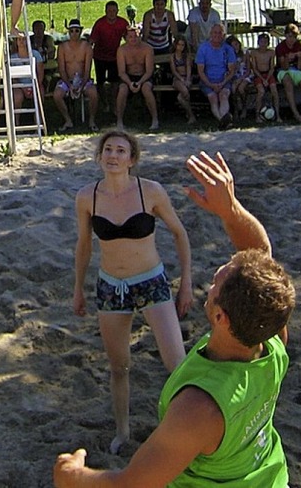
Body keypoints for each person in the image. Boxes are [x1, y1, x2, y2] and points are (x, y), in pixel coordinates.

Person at [55, 150, 295, 488]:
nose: (213, 277)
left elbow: (133, 484)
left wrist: (73, 476)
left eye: (217, 283)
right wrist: (230, 210)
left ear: (220, 316)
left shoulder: (198, 408)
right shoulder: (270, 342)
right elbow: (261, 256)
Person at [73, 131, 192, 455]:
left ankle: (185, 428)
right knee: (118, 367)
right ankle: (123, 433)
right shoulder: (87, 197)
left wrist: (186, 285)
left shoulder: (150, 191)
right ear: (99, 156)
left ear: (132, 159)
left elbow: (180, 235)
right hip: (111, 287)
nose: (113, 155)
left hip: (152, 282)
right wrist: (78, 290)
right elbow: (84, 246)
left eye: (120, 150)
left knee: (177, 365)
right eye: (108, 149)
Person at [53, 19, 98, 132]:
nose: (74, 33)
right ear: (68, 32)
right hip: (67, 80)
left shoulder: (87, 47)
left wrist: (81, 86)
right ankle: (67, 120)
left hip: (83, 79)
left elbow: (87, 69)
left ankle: (92, 120)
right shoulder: (62, 47)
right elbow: (62, 69)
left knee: (93, 93)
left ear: (80, 31)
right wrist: (69, 85)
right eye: (71, 30)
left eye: (77, 30)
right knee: (57, 95)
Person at [89, 1, 129, 116]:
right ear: (105, 11)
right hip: (99, 56)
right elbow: (91, 41)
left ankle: (114, 104)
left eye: (114, 11)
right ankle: (104, 103)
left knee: (115, 82)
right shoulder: (100, 24)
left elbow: (129, 38)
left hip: (115, 57)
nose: (111, 13)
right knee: (100, 82)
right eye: (109, 11)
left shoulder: (122, 23)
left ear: (117, 11)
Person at [116, 26, 159, 131]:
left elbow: (149, 71)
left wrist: (139, 82)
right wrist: (130, 83)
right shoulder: (121, 50)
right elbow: (121, 72)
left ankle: (155, 119)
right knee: (122, 89)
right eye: (130, 37)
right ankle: (119, 120)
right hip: (128, 76)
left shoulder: (147, 49)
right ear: (126, 38)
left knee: (146, 89)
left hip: (144, 76)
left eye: (136, 36)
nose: (133, 39)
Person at [195, 24, 237, 128]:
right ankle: (223, 121)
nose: (217, 35)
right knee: (213, 98)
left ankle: (223, 121)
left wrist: (222, 83)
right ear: (210, 34)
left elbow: (232, 71)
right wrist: (210, 84)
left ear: (223, 35)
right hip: (207, 80)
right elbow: (200, 71)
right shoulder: (203, 48)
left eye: (220, 33)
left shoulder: (228, 49)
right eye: (215, 32)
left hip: (224, 79)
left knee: (224, 95)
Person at [275, 22, 301, 122]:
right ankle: (295, 113)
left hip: (296, 69)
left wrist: (300, 57)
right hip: (283, 70)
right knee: (288, 83)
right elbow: (283, 67)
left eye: (294, 37)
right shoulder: (280, 47)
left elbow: (300, 68)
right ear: (285, 36)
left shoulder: (299, 46)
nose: (291, 39)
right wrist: (287, 59)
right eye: (289, 36)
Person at [250, 32, 281, 122]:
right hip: (258, 74)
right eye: (261, 42)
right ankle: (257, 115)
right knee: (261, 91)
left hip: (268, 74)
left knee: (274, 90)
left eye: (265, 42)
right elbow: (254, 68)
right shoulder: (254, 52)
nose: (263, 44)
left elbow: (272, 67)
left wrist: (267, 79)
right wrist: (263, 79)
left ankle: (278, 115)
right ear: (258, 42)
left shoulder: (271, 52)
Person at [169, 34, 196, 123]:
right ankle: (191, 115)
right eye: (179, 45)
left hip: (187, 77)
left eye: (182, 45)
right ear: (175, 45)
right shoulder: (172, 57)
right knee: (184, 91)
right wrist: (181, 79)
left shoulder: (187, 56)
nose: (181, 47)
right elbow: (174, 71)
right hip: (177, 78)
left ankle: (190, 115)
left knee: (180, 98)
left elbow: (188, 68)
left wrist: (187, 79)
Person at [226, 34, 252, 121]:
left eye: (236, 44)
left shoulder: (245, 53)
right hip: (234, 75)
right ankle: (236, 109)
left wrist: (241, 78)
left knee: (241, 88)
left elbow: (248, 70)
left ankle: (244, 107)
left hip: (245, 75)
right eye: (232, 46)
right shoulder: (229, 56)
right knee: (233, 88)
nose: (235, 47)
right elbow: (231, 70)